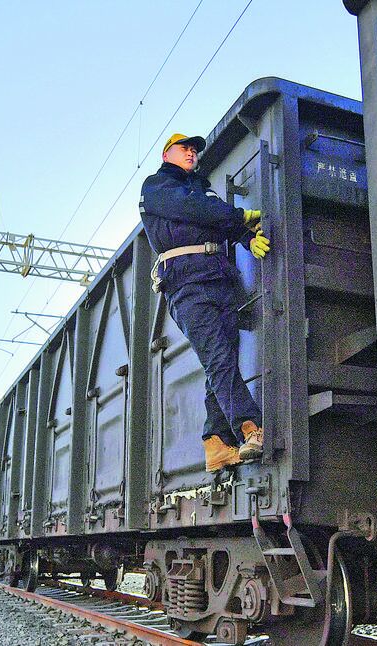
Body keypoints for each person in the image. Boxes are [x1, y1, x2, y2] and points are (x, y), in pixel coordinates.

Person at [139, 133, 271, 473]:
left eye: (194, 150)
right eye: (184, 148)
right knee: (218, 358)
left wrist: (246, 238)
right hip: (186, 285)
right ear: (166, 154)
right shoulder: (157, 187)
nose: (191, 153)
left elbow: (217, 220)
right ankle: (250, 428)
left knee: (223, 360)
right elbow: (196, 211)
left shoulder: (202, 189)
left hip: (218, 279)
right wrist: (240, 217)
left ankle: (216, 443)